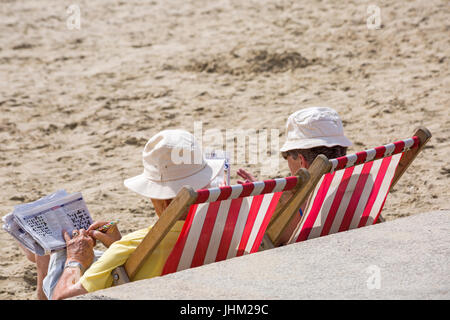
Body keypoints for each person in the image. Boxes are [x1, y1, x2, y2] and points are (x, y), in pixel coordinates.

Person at [19, 129, 225, 299]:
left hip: (137, 288)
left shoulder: (132, 245)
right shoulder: (228, 223)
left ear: (162, 201)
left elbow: (63, 297)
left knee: (61, 255)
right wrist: (119, 244)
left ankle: (44, 267)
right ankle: (41, 260)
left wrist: (75, 259)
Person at [237, 107, 352, 244]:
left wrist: (263, 205)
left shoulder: (297, 205)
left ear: (302, 161)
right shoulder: (360, 184)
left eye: (286, 156)